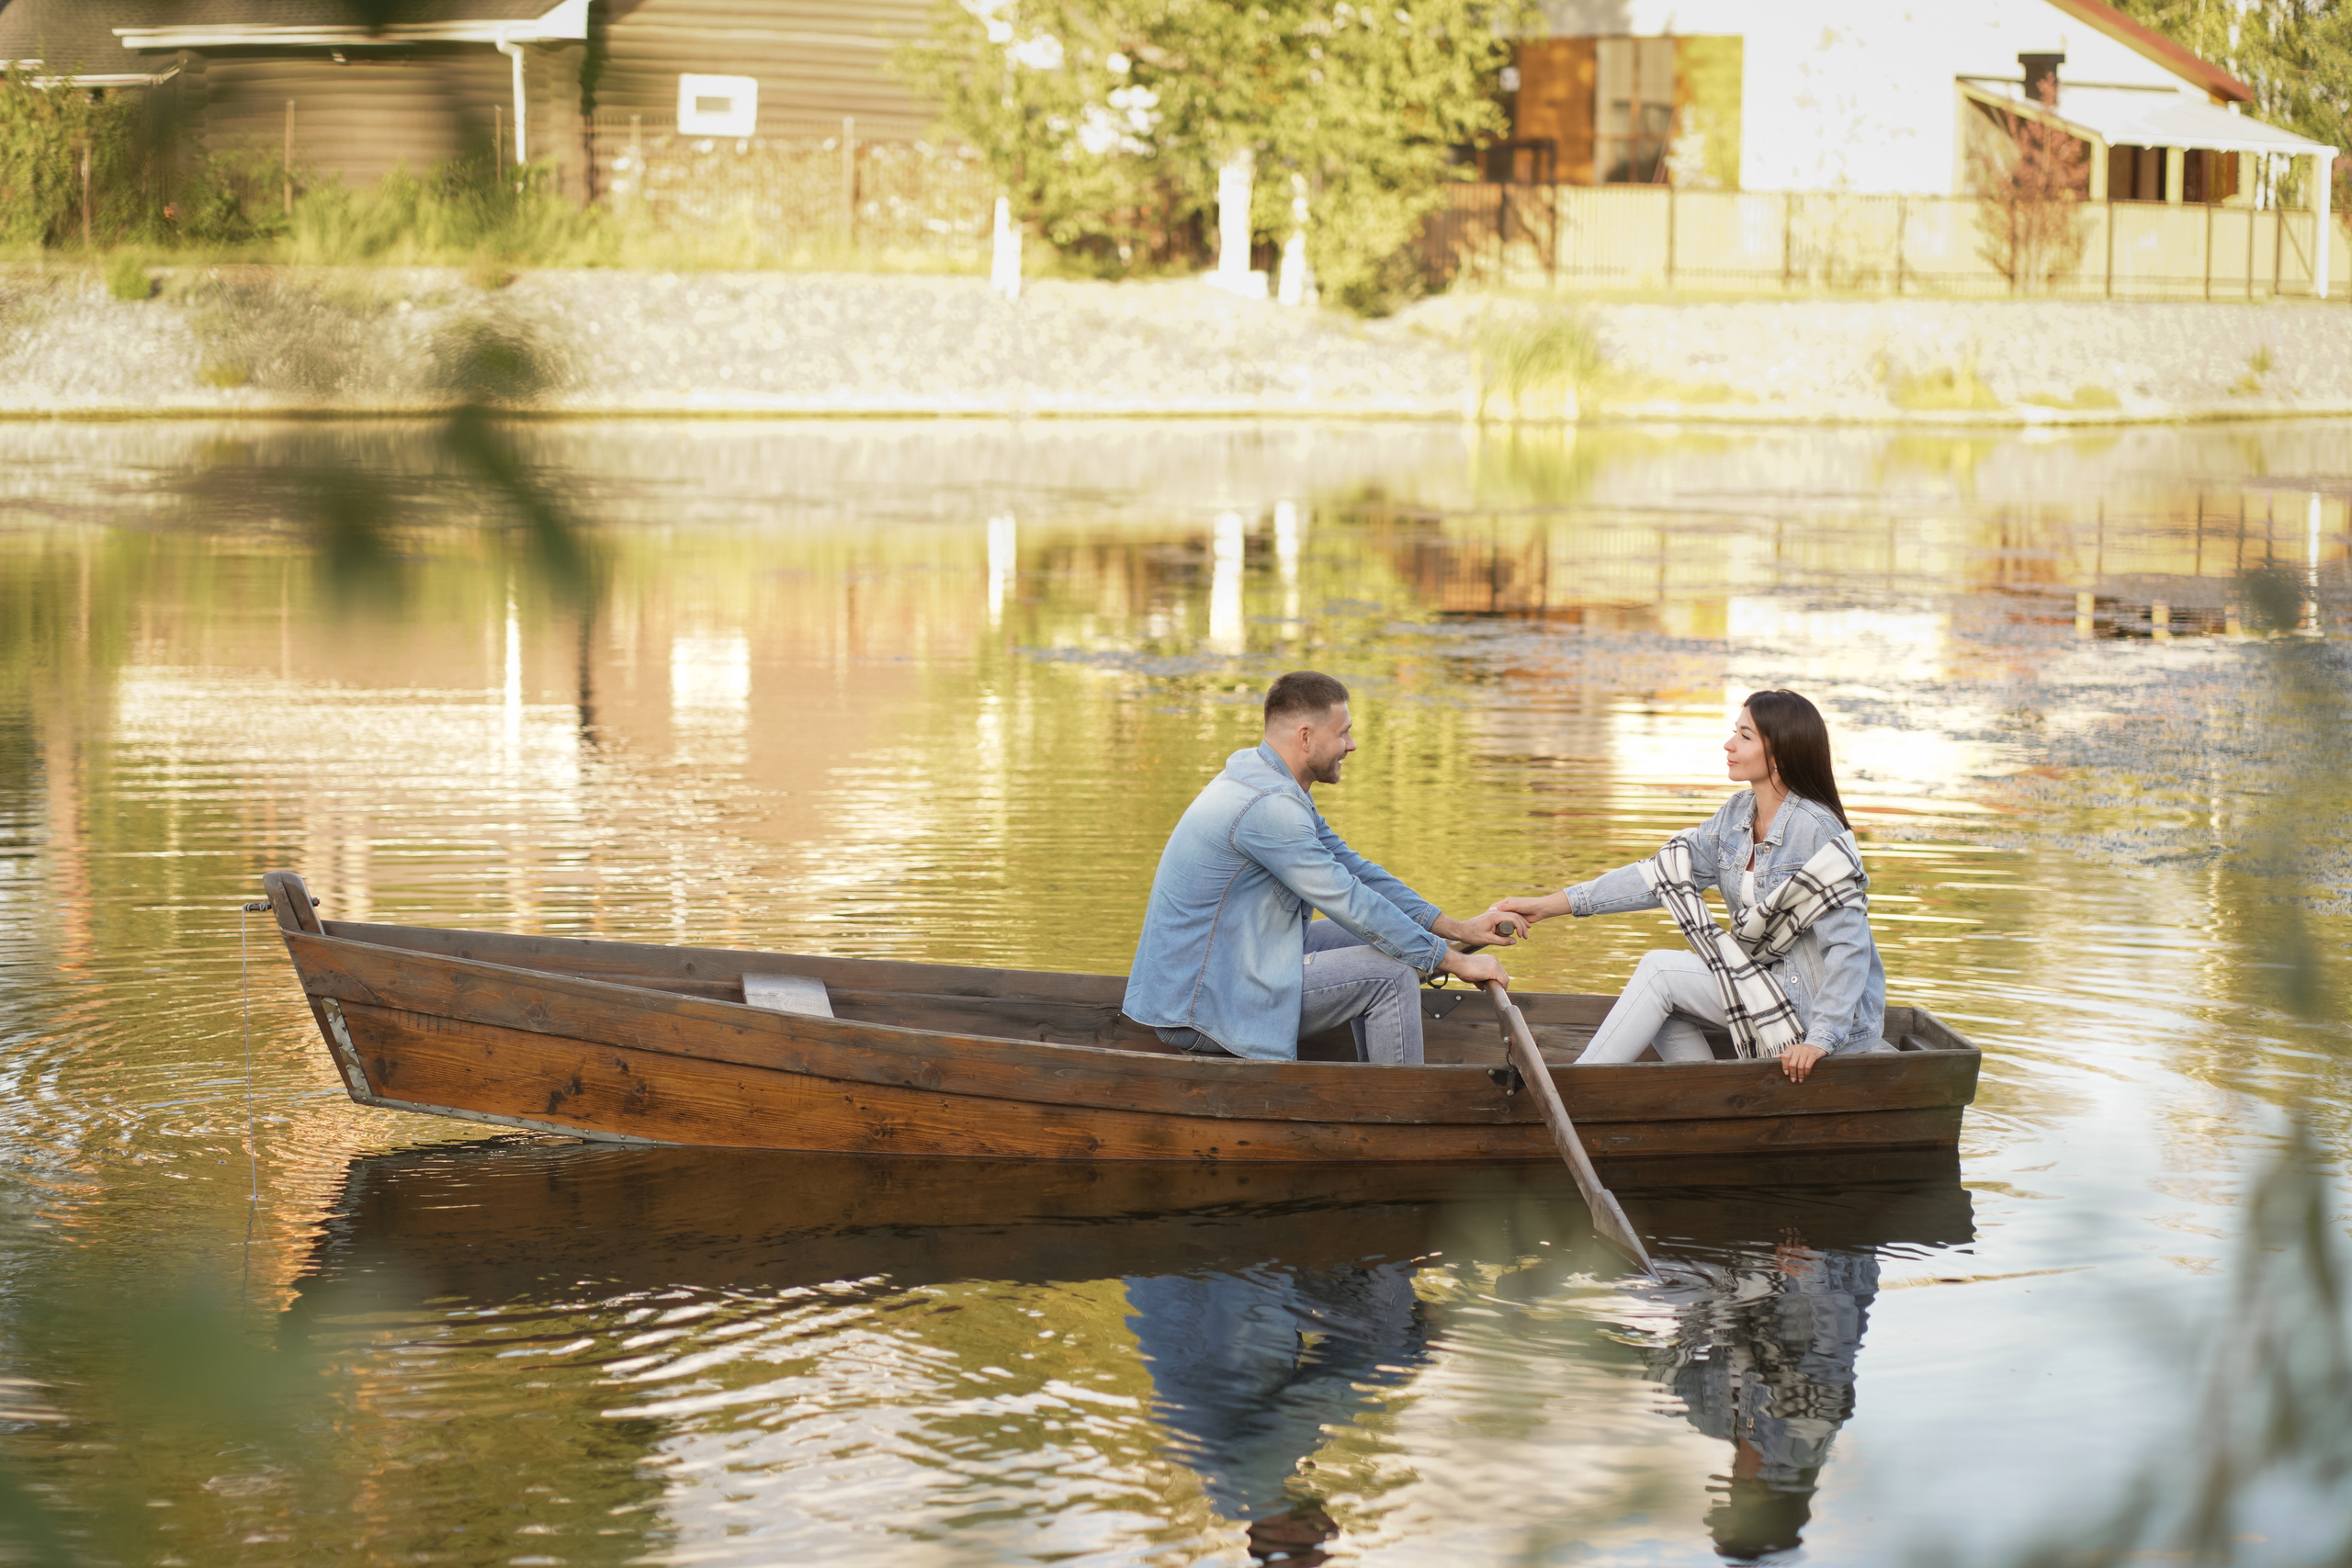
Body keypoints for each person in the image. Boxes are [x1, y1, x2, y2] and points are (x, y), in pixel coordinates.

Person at [1491, 689, 1887, 1082]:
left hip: (1819, 1015)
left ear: (1780, 755)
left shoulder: (1817, 829)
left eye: (1745, 736)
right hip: (1763, 987)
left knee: (1660, 971)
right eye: (1735, 732)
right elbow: (1658, 876)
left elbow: (1849, 947)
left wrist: (1820, 1039)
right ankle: (1716, 1096)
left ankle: (1569, 1089)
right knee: (1659, 1001)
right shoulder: (1736, 816)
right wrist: (1547, 906)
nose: (1729, 744)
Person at [1123, 671, 1514, 1065]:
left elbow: (1356, 872)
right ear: (1306, 737)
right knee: (1391, 974)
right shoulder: (1269, 807)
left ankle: (1373, 1085)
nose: (1352, 745)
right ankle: (1397, 1115)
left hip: (1232, 964)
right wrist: (1456, 961)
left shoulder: (1266, 776)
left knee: (1378, 943)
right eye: (1342, 733)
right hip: (1202, 1007)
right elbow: (1351, 901)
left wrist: (1456, 929)